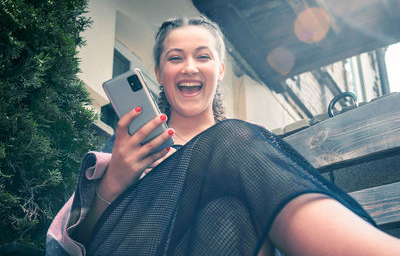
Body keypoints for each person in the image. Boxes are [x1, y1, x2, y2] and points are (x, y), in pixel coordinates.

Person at [46, 16, 400, 255]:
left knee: (227, 209)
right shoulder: (130, 146)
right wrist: (114, 183)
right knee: (232, 142)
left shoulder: (244, 149)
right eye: (175, 58)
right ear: (159, 71)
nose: (189, 67)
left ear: (220, 69)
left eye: (203, 56)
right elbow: (78, 244)